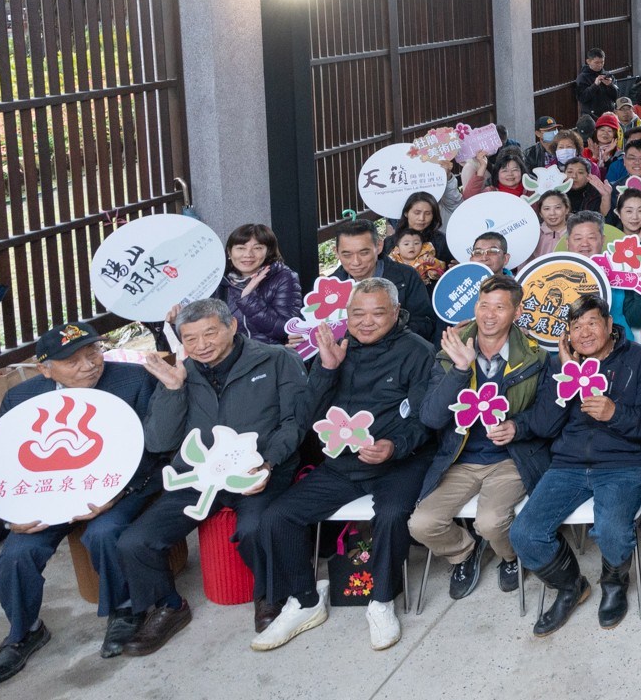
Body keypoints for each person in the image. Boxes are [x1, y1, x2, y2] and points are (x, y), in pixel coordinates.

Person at [252, 277, 435, 653]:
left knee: (391, 514)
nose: (366, 321)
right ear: (346, 314)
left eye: (377, 313)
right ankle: (304, 600)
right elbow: (306, 416)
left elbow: (427, 420)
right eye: (357, 313)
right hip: (342, 463)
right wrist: (326, 368)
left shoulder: (418, 351)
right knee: (277, 516)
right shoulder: (335, 348)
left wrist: (394, 447)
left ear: (396, 313)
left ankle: (381, 601)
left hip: (398, 462)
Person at [117, 298, 307, 655]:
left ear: (232, 326)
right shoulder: (181, 372)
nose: (201, 345)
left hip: (258, 470)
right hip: (199, 477)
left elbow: (294, 422)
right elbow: (160, 441)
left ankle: (269, 595)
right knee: (135, 541)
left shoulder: (277, 359)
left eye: (210, 333)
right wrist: (173, 391)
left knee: (255, 528)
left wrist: (268, 463)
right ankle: (167, 607)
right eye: (190, 339)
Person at [0, 324, 161, 683]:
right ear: (45, 368)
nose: (89, 365)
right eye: (72, 360)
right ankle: (25, 631)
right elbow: (3, 464)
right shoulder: (21, 398)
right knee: (16, 554)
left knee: (104, 532)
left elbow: (158, 449)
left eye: (93, 353)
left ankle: (125, 610)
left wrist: (118, 493)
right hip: (49, 493)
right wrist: (9, 515)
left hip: (122, 489)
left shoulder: (134, 380)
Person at [508, 295, 641, 636]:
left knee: (611, 530)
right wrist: (565, 372)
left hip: (625, 464)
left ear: (610, 325)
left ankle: (613, 580)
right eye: (576, 327)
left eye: (592, 322)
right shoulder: (561, 365)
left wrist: (615, 414)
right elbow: (545, 426)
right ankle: (570, 586)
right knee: (524, 533)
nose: (584, 332)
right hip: (568, 464)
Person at [409, 273, 547, 602]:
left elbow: (546, 418)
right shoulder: (451, 349)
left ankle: (512, 557)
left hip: (509, 459)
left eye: (500, 307)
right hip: (459, 458)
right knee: (422, 523)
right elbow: (430, 417)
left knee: (490, 522)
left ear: (516, 312)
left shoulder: (534, 356)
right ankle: (464, 553)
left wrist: (517, 427)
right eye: (484, 305)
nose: (489, 314)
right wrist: (459, 369)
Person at [328, 219, 440, 342]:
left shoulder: (406, 276)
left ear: (379, 246)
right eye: (347, 255)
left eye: (364, 253)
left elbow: (424, 322)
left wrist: (385, 337)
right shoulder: (327, 290)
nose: (356, 262)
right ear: (336, 252)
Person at [213, 223, 304, 345]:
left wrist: (249, 300)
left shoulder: (283, 277)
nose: (248, 254)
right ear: (229, 252)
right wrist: (178, 322)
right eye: (241, 248)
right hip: (231, 360)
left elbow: (286, 329)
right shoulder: (218, 280)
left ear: (268, 251)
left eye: (257, 248)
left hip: (270, 357)